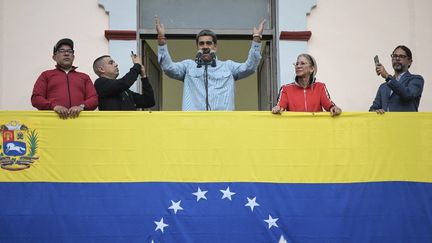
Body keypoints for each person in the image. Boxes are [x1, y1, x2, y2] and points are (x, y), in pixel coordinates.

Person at [155, 16, 265, 111]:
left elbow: (250, 67)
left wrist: (256, 39)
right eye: (201, 44)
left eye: (209, 43)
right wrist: (161, 39)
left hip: (222, 124)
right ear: (197, 47)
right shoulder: (188, 66)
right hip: (193, 124)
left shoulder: (228, 66)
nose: (205, 47)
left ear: (215, 47)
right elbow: (168, 68)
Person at [31, 38, 98, 119]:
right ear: (54, 57)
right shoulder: (46, 75)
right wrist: (54, 107)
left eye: (70, 51)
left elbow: (94, 99)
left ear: (73, 56)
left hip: (80, 122)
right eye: (62, 51)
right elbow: (36, 98)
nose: (66, 54)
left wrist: (81, 107)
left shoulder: (84, 77)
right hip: (52, 122)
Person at [272, 54, 341, 116]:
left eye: (302, 63)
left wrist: (334, 108)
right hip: (295, 129)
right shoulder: (286, 89)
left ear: (311, 69)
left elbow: (329, 105)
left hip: (316, 128)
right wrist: (278, 108)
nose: (298, 66)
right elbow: (280, 106)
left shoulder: (320, 87)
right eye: (297, 64)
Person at [370, 45, 424, 114]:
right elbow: (373, 109)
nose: (397, 58)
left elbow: (407, 94)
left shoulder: (416, 79)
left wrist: (387, 76)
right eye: (394, 56)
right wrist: (376, 112)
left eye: (401, 56)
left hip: (407, 124)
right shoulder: (383, 87)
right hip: (387, 124)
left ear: (410, 61)